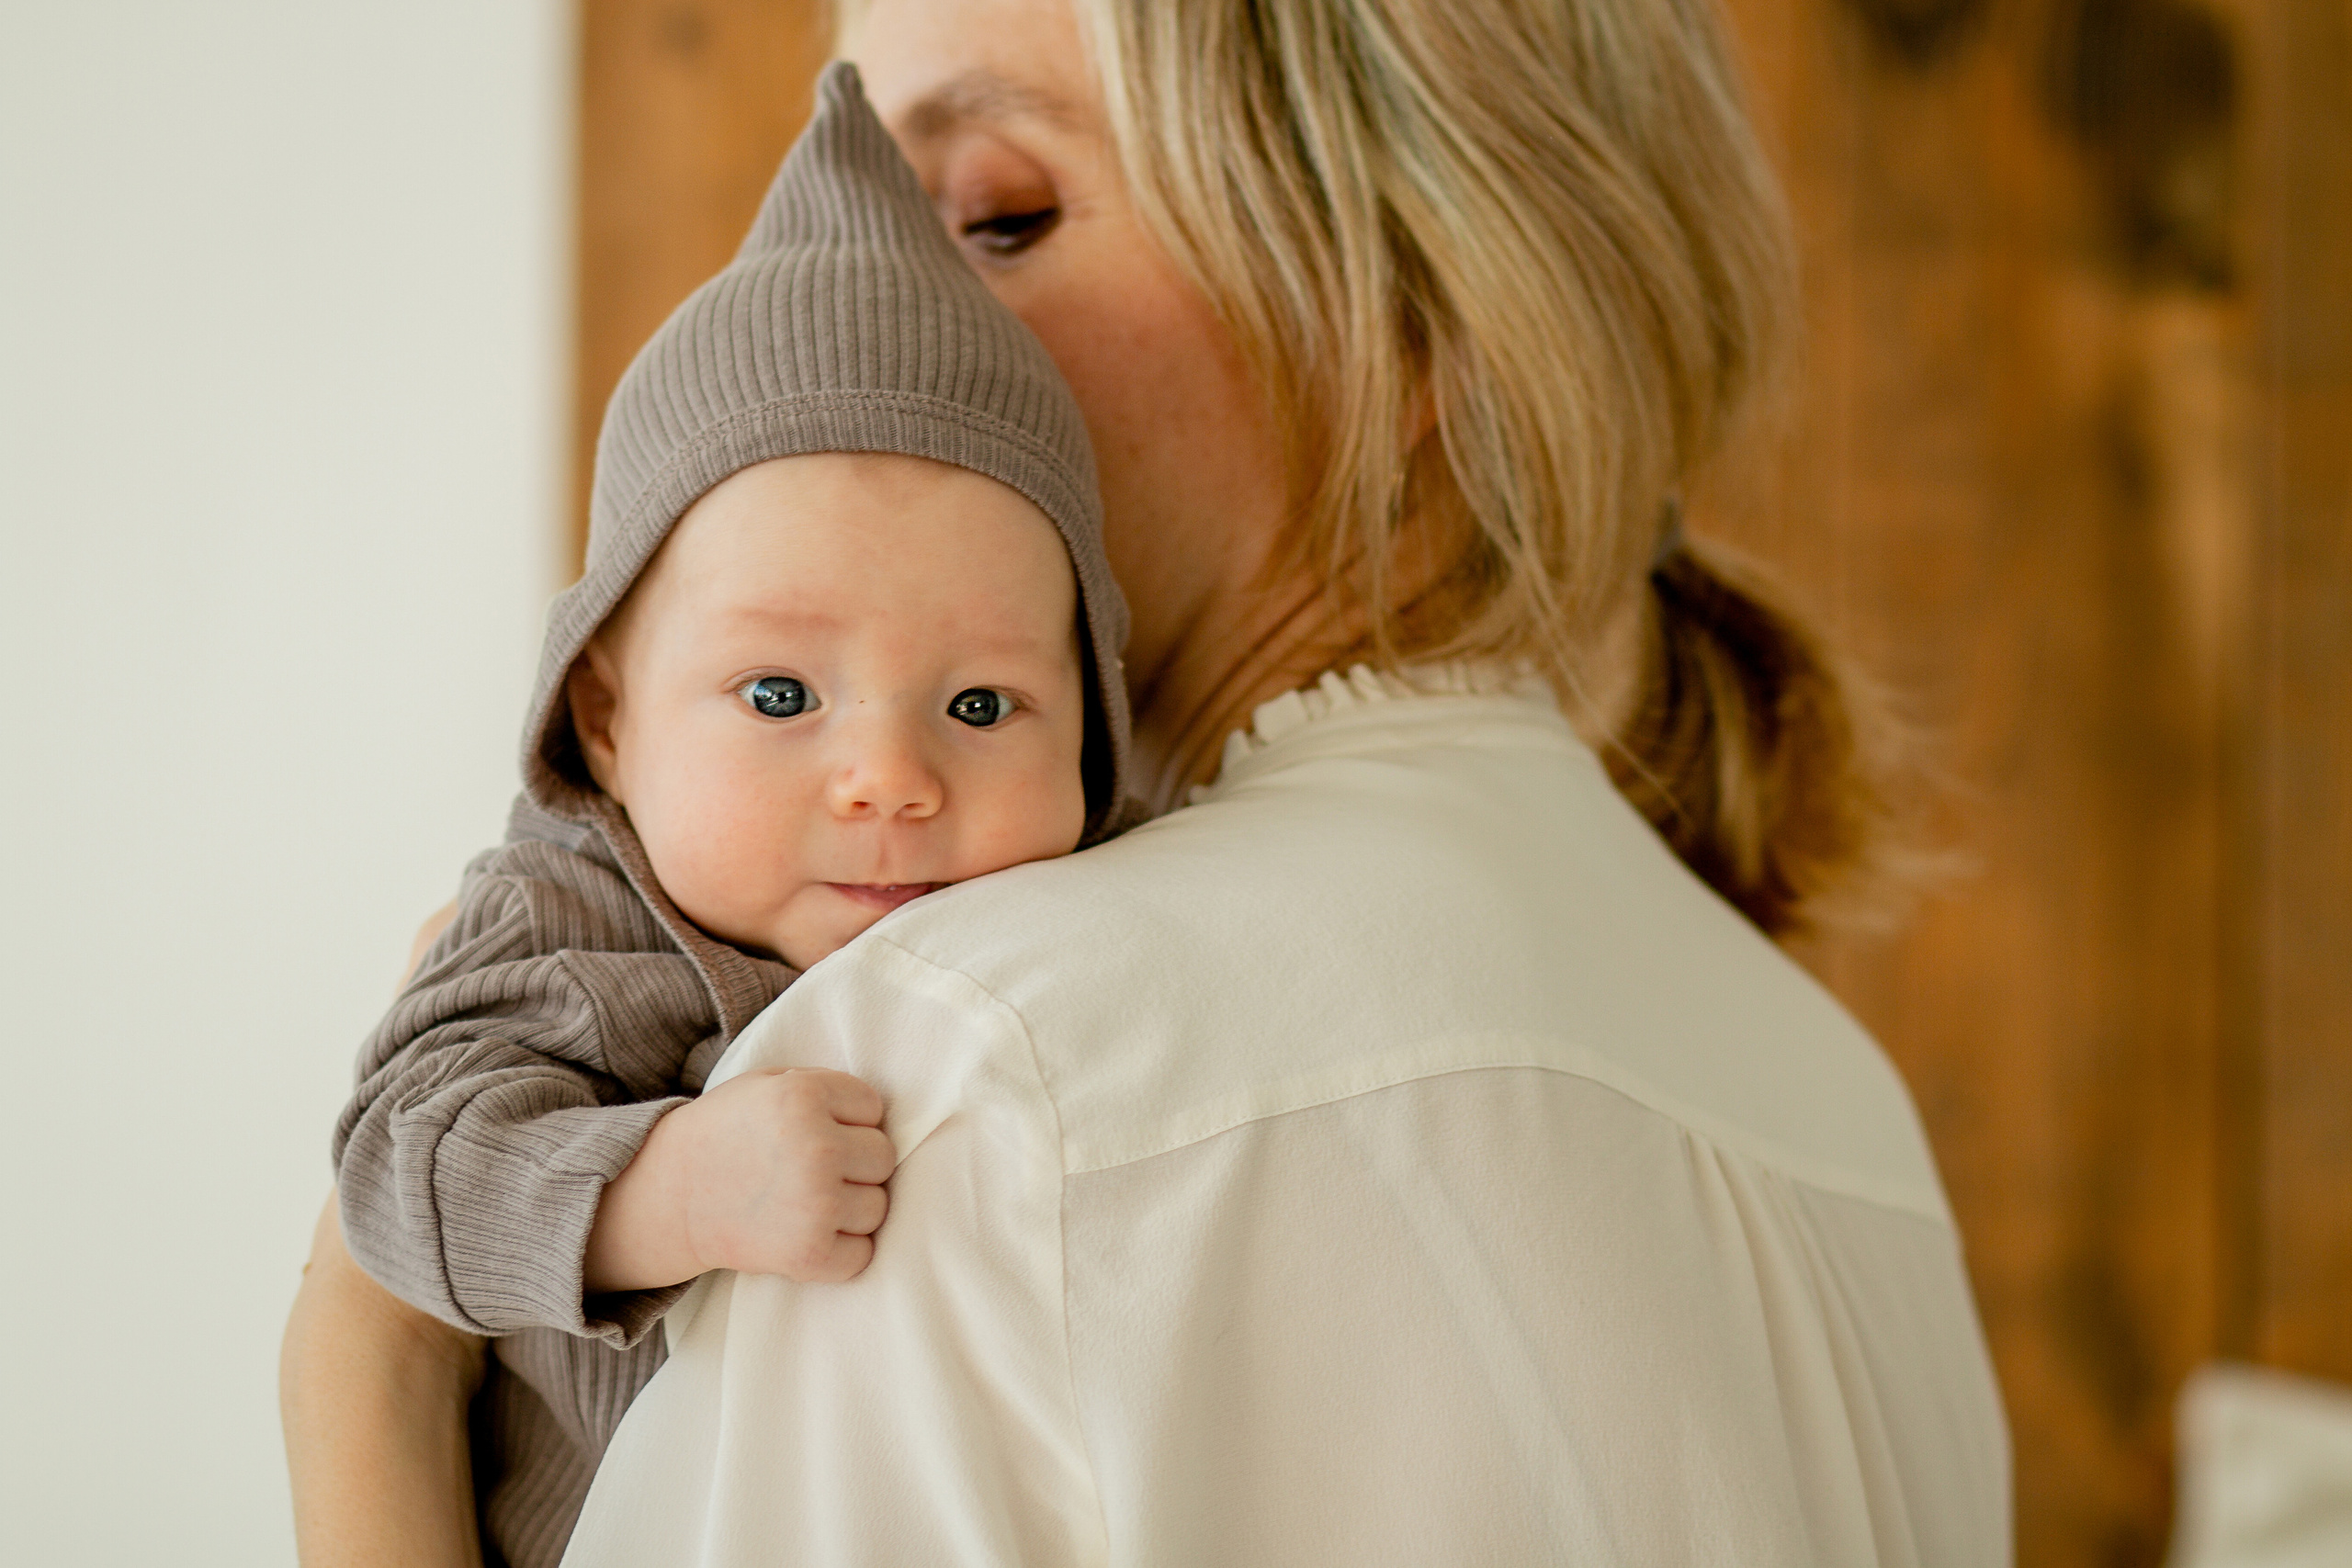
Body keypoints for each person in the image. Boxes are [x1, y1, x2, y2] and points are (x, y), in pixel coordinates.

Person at [284, 0, 2014, 1562]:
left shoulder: (961, 1062)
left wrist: (358, 1372)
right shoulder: (1846, 1113)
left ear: (1409, 317)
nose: (877, 340)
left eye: (995, 218)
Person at [320, 68, 1139, 1568]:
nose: (888, 778)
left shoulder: (1111, 906)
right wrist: (659, 1196)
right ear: (606, 718)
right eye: (778, 694)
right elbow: (398, 1174)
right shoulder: (569, 922)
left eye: (981, 705)